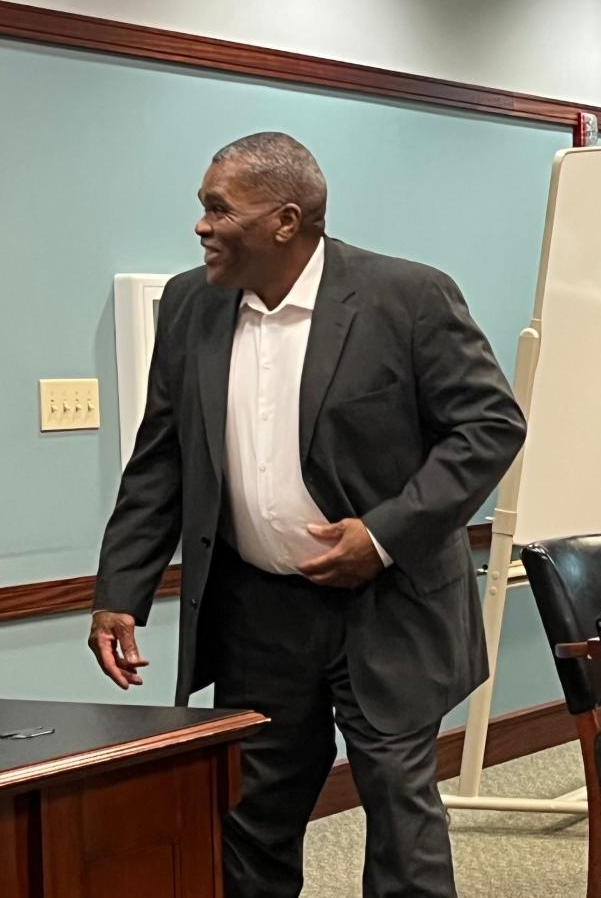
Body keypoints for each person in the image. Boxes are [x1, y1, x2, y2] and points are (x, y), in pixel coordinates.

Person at [89, 132, 525, 897]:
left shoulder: (408, 298)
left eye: (217, 208)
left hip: (385, 604)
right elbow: (162, 455)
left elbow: (490, 427)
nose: (201, 226)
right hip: (259, 612)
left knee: (396, 808)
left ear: (286, 221)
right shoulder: (192, 305)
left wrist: (383, 535)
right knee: (253, 814)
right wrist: (118, 592)